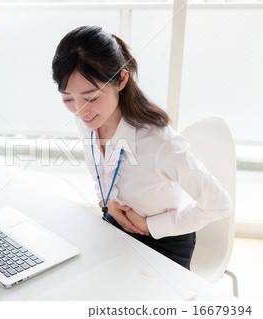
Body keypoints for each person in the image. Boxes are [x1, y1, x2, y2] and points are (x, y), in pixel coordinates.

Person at [51, 25, 232, 269]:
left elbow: (219, 204)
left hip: (163, 244)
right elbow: (102, 172)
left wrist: (151, 226)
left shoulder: (161, 143)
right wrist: (107, 203)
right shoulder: (88, 117)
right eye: (67, 99)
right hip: (115, 227)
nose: (80, 110)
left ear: (122, 79)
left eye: (92, 97)